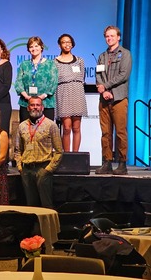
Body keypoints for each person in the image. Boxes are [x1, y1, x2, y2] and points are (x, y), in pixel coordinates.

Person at [95, 25, 132, 175]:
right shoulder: (102, 56)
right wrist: (102, 89)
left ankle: (122, 163)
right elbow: (98, 75)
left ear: (118, 37)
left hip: (119, 97)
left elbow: (124, 75)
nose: (109, 38)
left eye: (112, 36)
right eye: (107, 36)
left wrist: (106, 87)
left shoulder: (125, 54)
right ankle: (107, 162)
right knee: (105, 133)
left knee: (120, 132)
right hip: (104, 99)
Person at [14, 97, 62, 208]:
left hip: (43, 168)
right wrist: (20, 167)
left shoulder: (51, 125)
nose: (35, 107)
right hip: (26, 170)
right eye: (32, 105)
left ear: (42, 107)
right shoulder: (22, 126)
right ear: (27, 107)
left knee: (46, 206)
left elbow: (59, 151)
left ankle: (48, 226)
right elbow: (17, 149)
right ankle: (33, 226)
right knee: (31, 206)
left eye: (37, 105)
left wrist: (48, 170)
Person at [54, 34, 87, 152]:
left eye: (69, 42)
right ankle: (67, 157)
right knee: (67, 128)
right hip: (63, 93)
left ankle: (76, 156)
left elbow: (82, 77)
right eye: (64, 42)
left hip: (77, 93)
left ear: (72, 44)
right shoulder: (55, 62)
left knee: (76, 127)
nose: (67, 44)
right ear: (59, 45)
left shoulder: (80, 61)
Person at [15, 36, 58, 122]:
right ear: (28, 49)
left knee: (46, 132)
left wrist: (41, 97)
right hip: (26, 103)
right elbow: (18, 82)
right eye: (31, 47)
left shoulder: (50, 64)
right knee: (26, 131)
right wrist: (27, 97)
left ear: (41, 47)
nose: (34, 48)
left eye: (36, 46)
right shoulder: (24, 64)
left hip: (46, 103)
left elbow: (53, 83)